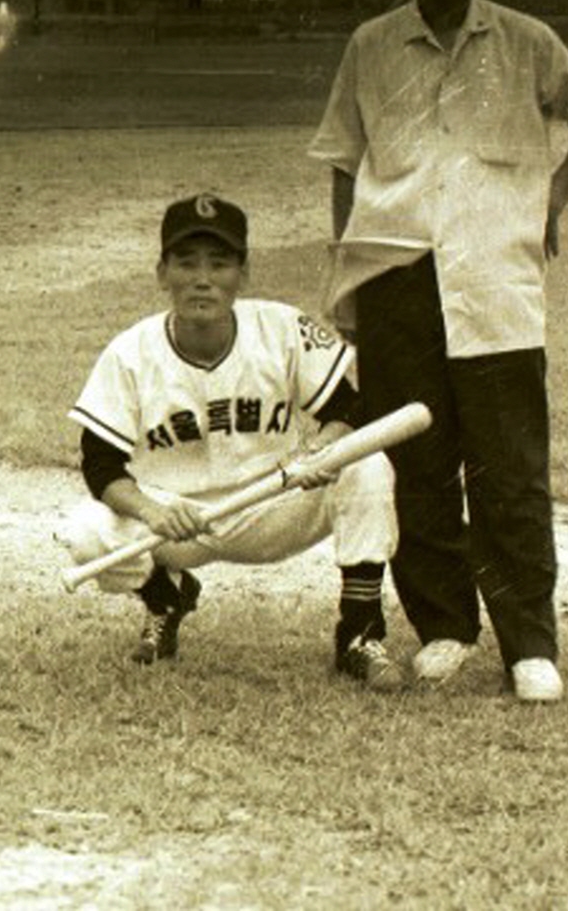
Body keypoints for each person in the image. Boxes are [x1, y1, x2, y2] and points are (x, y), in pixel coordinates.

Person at [308, 0, 568, 704]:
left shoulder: (530, 41)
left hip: (495, 276)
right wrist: (348, 266)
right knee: (415, 459)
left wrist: (548, 204)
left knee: (509, 466)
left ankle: (529, 642)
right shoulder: (371, 43)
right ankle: (444, 625)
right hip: (396, 272)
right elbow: (344, 162)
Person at [59, 193, 404, 691]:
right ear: (162, 273)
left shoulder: (281, 329)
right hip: (180, 520)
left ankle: (359, 633)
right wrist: (153, 512)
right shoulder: (130, 353)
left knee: (366, 464)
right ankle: (165, 600)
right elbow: (100, 465)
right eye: (186, 263)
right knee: (85, 531)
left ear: (244, 274)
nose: (202, 279)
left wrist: (322, 449)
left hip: (274, 501)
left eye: (219, 264)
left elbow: (349, 409)